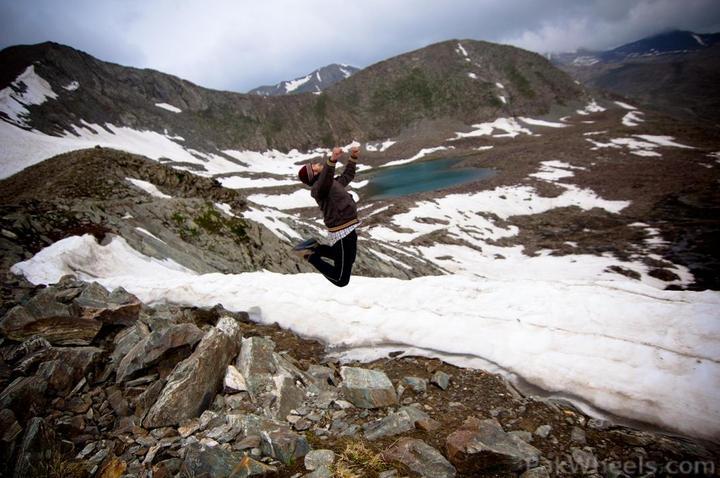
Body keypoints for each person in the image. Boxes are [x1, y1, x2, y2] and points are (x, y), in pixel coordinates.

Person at [293, 146, 360, 287]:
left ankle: (316, 248)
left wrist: (353, 157)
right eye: (314, 165)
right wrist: (332, 159)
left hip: (348, 227)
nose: (318, 164)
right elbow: (325, 179)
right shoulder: (319, 188)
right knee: (341, 279)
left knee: (348, 259)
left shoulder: (331, 184)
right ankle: (309, 255)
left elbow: (348, 176)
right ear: (314, 173)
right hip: (342, 232)